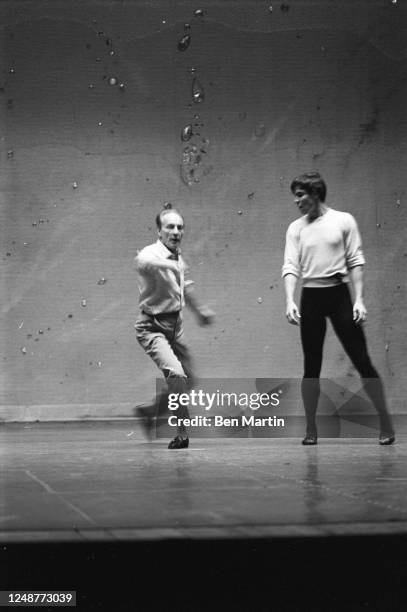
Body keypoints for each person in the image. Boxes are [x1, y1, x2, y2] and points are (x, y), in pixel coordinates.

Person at [282, 172, 395, 446]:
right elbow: (290, 266)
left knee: (361, 360)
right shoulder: (295, 228)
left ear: (316, 193)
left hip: (339, 295)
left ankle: (386, 423)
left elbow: (356, 260)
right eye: (295, 196)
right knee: (311, 367)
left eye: (300, 195)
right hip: (311, 296)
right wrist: (289, 300)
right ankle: (311, 429)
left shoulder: (343, 221)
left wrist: (359, 299)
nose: (296, 201)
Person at [134, 203, 214, 449]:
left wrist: (200, 311)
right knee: (177, 375)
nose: (176, 231)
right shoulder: (151, 253)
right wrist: (170, 265)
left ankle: (149, 413)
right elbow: (142, 261)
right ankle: (181, 434)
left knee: (189, 379)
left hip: (174, 326)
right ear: (159, 231)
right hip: (151, 327)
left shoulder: (179, 258)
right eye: (170, 227)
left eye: (180, 227)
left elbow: (184, 288)